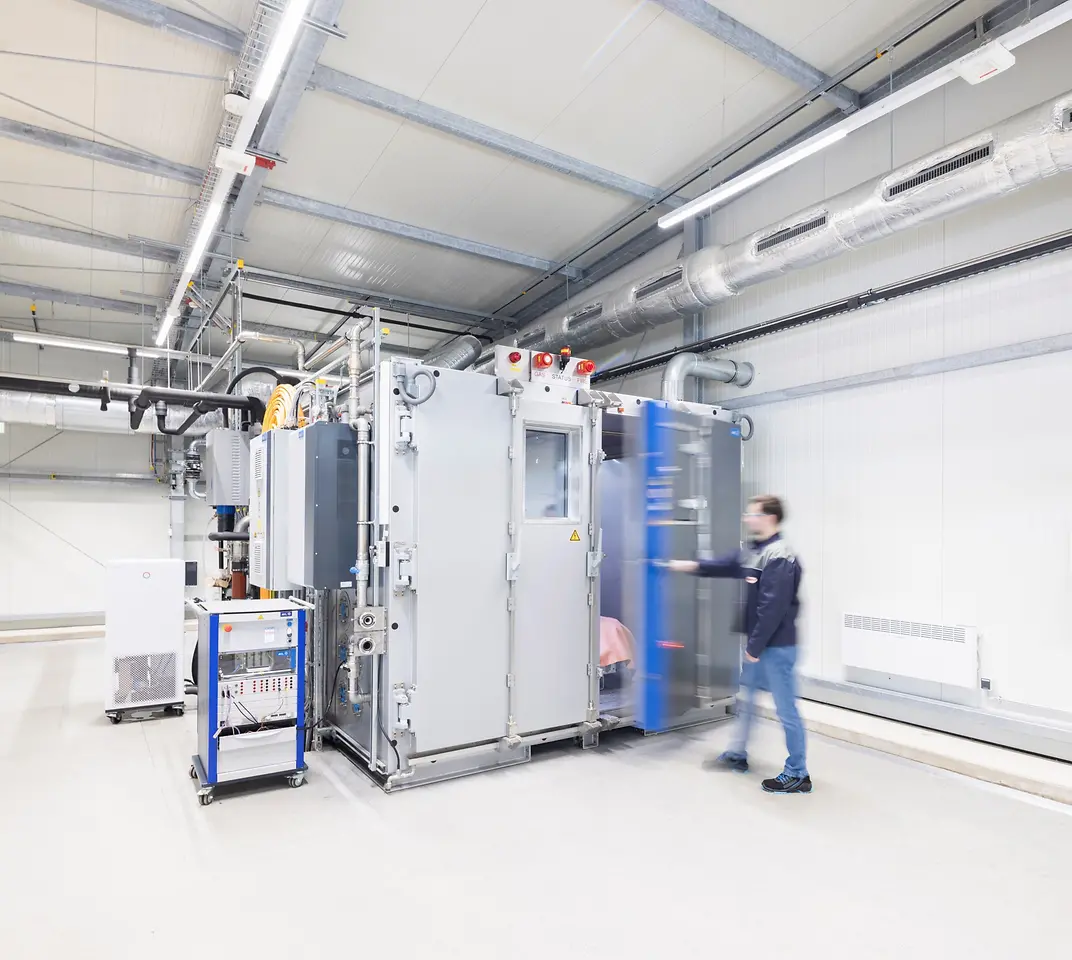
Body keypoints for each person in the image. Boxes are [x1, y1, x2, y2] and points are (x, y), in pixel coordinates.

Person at [665, 494, 810, 795]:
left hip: (776, 647)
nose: (747, 518)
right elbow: (722, 565)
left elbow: (773, 608)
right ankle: (737, 754)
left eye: (752, 514)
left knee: (786, 710)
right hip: (759, 645)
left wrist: (754, 648)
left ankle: (798, 773)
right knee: (746, 704)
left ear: (769, 518)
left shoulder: (780, 555)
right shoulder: (755, 552)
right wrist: (676, 565)